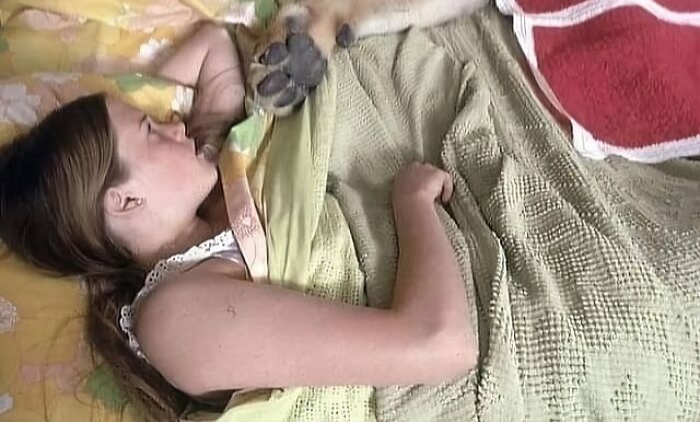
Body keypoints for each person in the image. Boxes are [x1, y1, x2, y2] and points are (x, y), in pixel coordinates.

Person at [0, 22, 476, 421]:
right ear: (124, 202)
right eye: (148, 129)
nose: (172, 121)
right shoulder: (173, 320)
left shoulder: (210, 187)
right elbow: (439, 346)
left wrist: (128, 104)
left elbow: (212, 45)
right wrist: (413, 202)